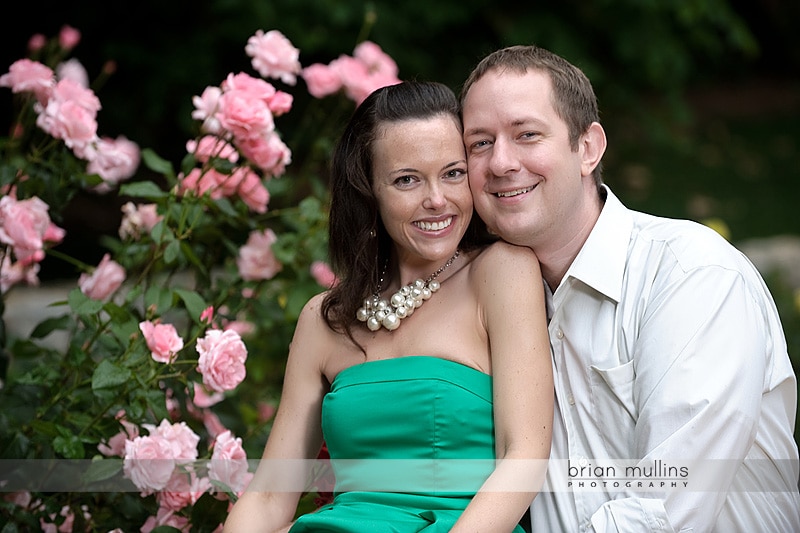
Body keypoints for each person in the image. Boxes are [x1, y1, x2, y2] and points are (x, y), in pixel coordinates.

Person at [459, 44, 800, 532]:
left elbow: (665, 507)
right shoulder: (486, 305)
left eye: (527, 134)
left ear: (589, 148)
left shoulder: (692, 274)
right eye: (479, 144)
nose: (501, 162)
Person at [223, 80, 553, 533]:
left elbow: (525, 457)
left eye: (453, 173)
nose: (437, 199)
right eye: (406, 180)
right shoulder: (326, 321)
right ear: (369, 192)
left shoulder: (500, 273)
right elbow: (266, 498)